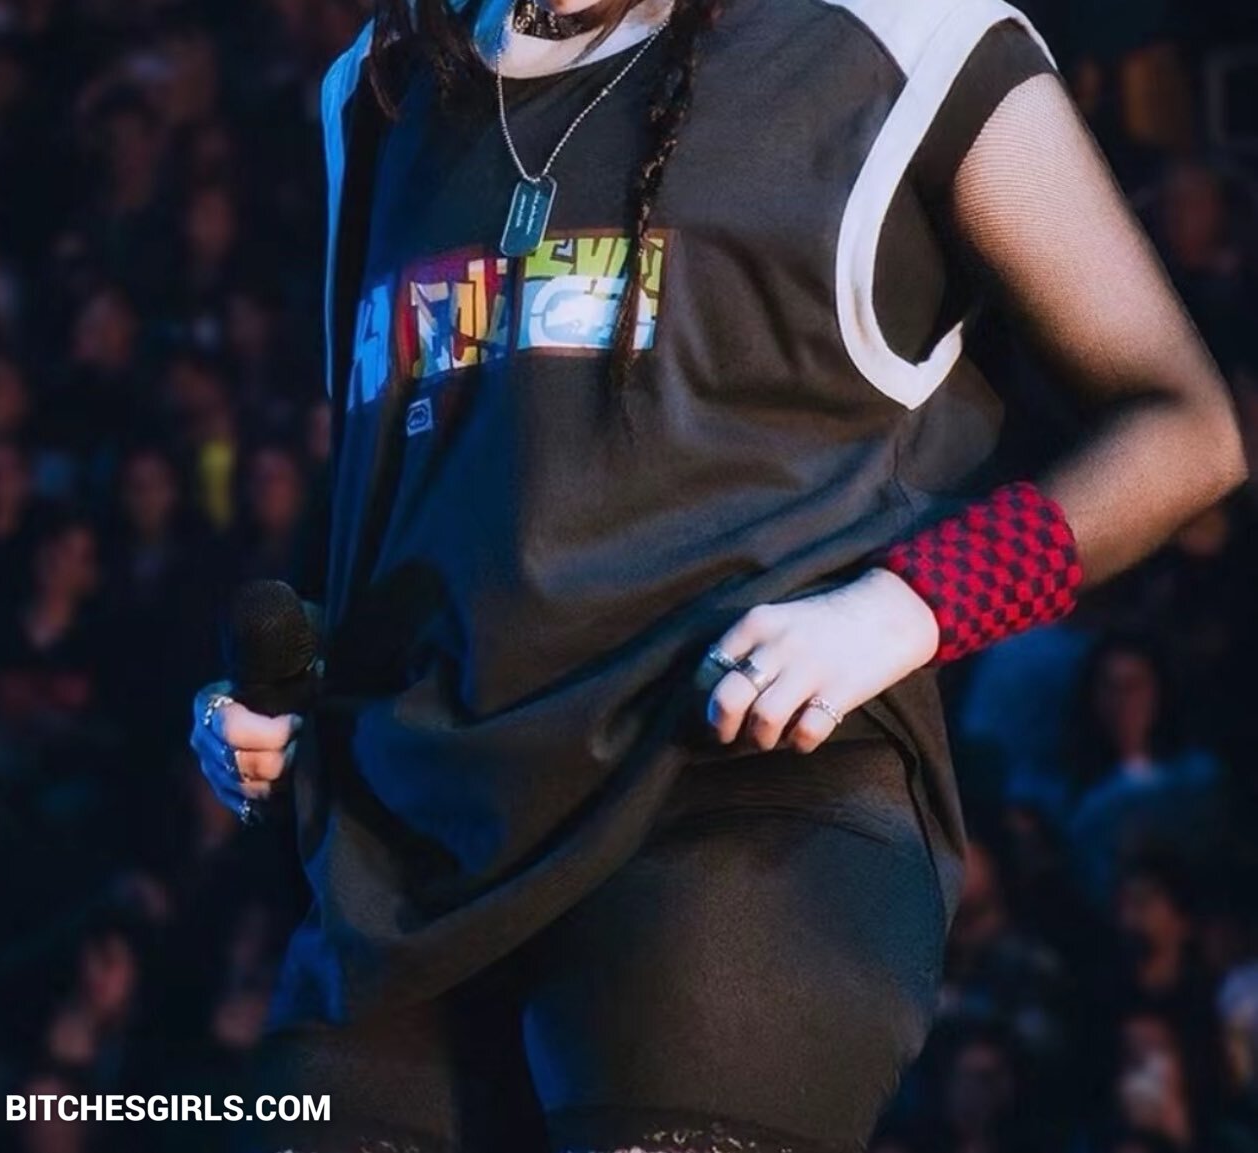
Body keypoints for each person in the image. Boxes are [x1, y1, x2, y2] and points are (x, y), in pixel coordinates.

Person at [187, 1, 1245, 1151]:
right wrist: (296, 699)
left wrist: (909, 606)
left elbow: (1186, 431)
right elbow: (424, 487)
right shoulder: (379, 83)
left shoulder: (903, 35)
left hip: (740, 800)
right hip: (409, 851)